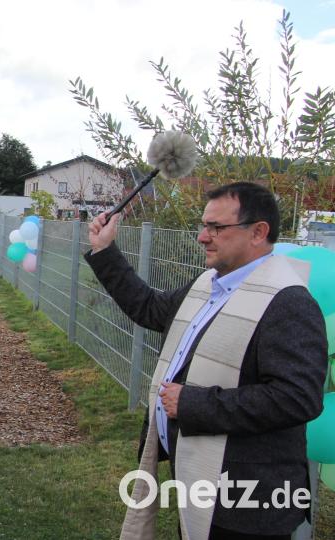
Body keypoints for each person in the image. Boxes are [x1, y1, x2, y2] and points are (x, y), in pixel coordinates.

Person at [85, 182, 327, 539]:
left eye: (216, 227)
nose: (202, 236)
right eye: (204, 225)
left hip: (249, 502)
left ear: (258, 232)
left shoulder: (288, 302)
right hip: (200, 478)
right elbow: (150, 309)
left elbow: (298, 397)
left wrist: (193, 403)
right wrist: (105, 251)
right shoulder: (209, 285)